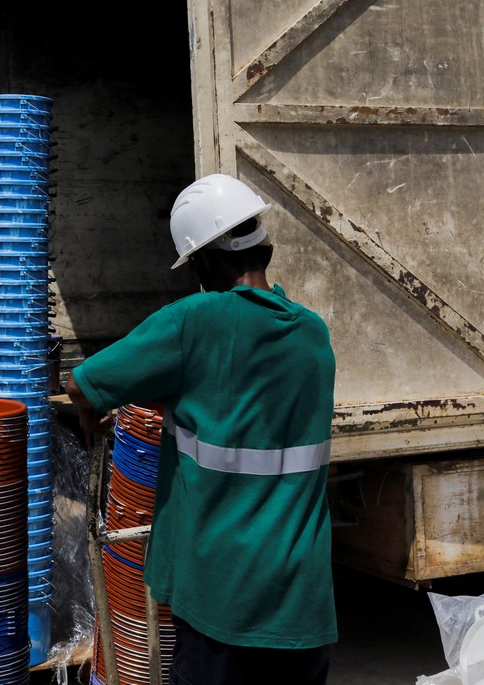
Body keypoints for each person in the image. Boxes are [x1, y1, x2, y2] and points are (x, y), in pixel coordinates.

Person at [65, 173, 336, 685]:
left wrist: (91, 415)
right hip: (303, 600)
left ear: (206, 260)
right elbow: (236, 396)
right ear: (264, 247)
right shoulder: (313, 335)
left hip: (223, 599)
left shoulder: (194, 322)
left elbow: (85, 385)